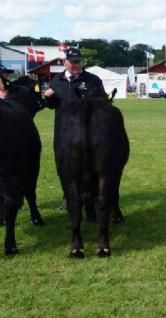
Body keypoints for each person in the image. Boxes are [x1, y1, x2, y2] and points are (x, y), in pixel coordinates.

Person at [43, 47, 106, 210]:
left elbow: (102, 103)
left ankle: (90, 200)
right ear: (65, 62)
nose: (76, 65)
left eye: (78, 61)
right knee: (64, 165)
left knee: (89, 165)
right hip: (63, 132)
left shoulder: (93, 80)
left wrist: (88, 98)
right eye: (72, 62)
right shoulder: (57, 81)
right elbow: (51, 106)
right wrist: (49, 98)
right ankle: (68, 197)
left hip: (88, 131)